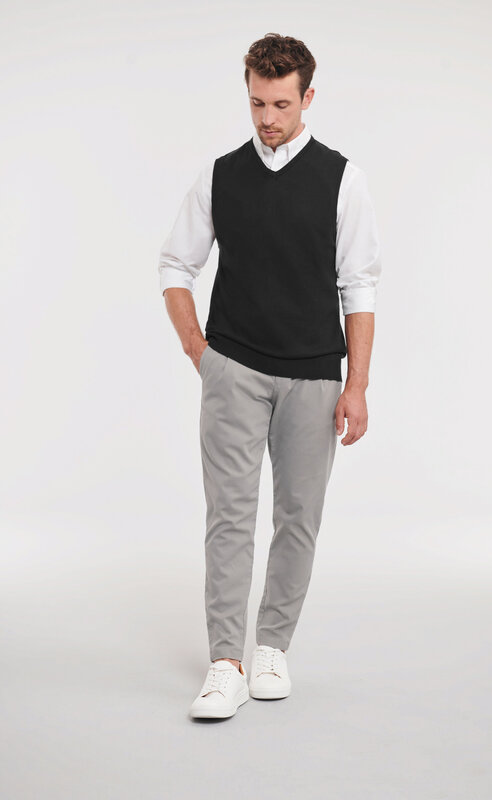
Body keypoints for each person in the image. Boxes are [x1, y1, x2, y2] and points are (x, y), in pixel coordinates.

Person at [158, 33, 382, 720]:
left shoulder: (342, 178)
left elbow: (359, 285)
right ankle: (225, 661)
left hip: (314, 378)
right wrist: (200, 351)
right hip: (233, 367)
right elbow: (175, 265)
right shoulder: (220, 175)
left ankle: (272, 647)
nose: (267, 117)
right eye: (257, 102)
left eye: (281, 104)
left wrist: (356, 385)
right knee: (228, 518)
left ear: (307, 97)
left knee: (298, 518)